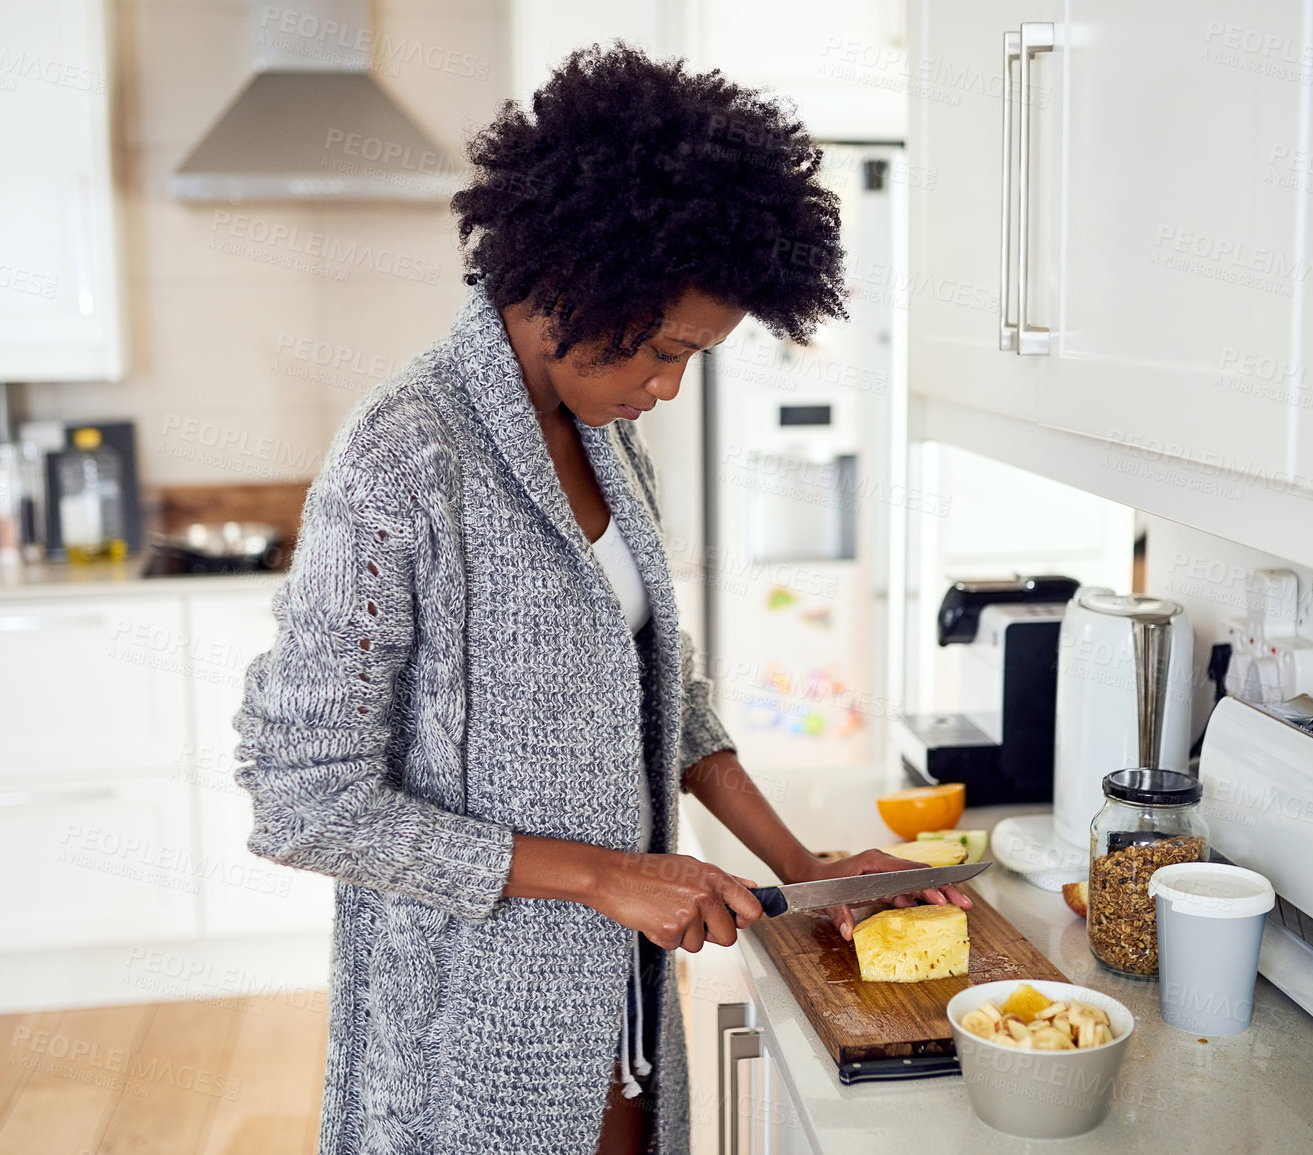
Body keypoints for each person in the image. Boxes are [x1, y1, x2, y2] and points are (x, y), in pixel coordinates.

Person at [233, 43, 970, 1155]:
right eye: (667, 349)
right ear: (581, 275)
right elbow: (303, 800)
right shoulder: (405, 456)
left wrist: (800, 865)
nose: (670, 387)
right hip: (469, 1031)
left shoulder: (607, 441)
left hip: (616, 1003)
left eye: (696, 359)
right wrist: (609, 878)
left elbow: (662, 693)